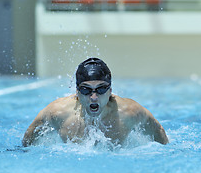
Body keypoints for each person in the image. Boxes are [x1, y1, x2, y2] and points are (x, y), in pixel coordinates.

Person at [22, 58, 168, 147]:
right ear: (77, 92)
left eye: (101, 89)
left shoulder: (130, 112)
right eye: (86, 90)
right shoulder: (57, 113)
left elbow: (159, 134)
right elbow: (27, 141)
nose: (93, 97)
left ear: (110, 91)